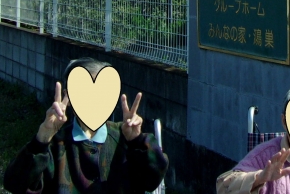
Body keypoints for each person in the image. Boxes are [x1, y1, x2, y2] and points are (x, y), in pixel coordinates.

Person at [3, 57, 169, 194]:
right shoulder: (55, 145)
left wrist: (137, 141)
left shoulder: (124, 137)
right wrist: (42, 138)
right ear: (69, 97)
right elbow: (15, 185)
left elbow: (152, 180)